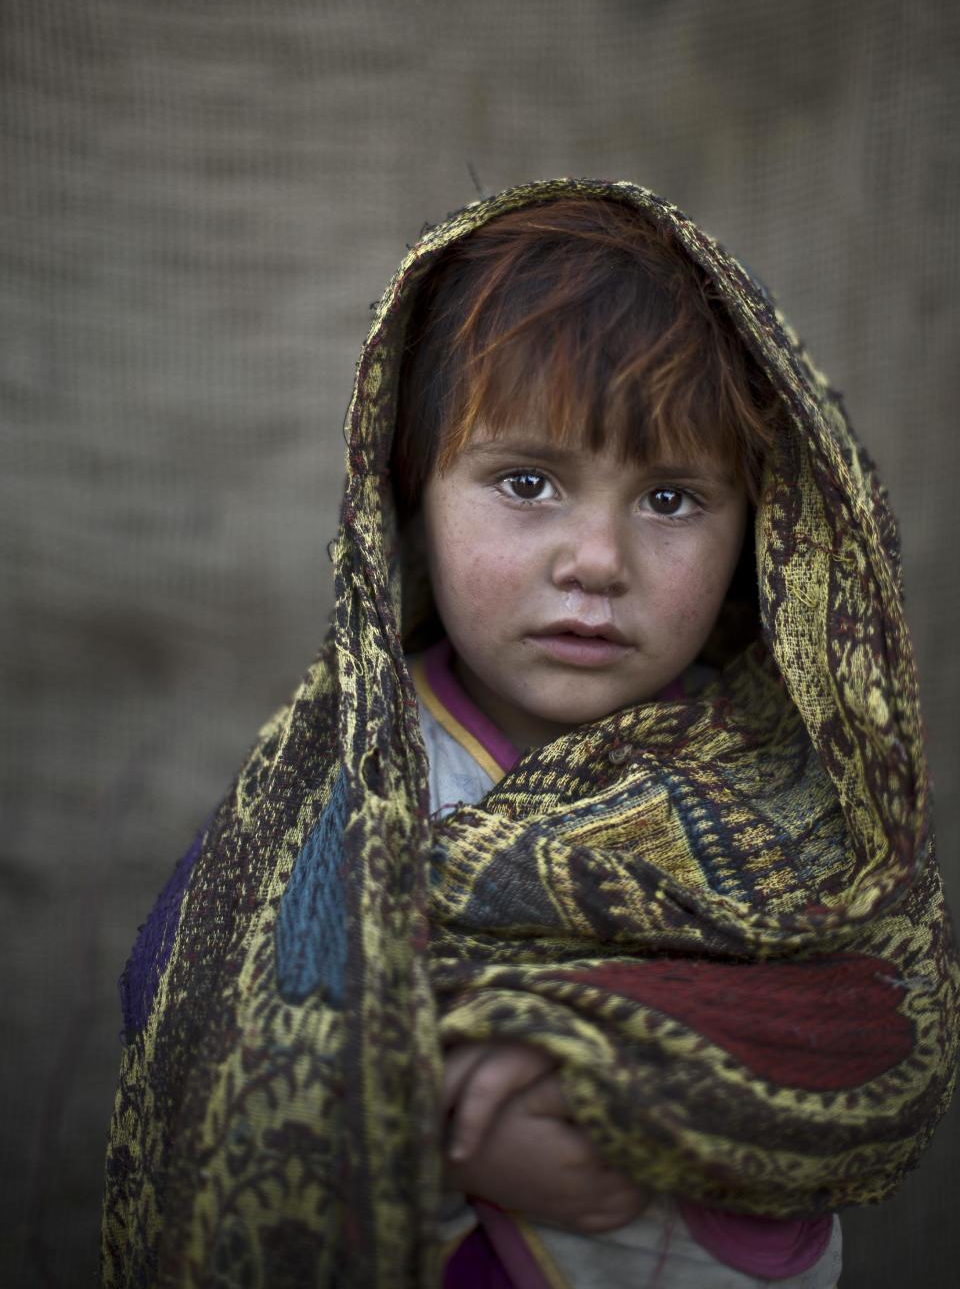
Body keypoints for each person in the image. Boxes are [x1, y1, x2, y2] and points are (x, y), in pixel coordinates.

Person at [102, 181, 958, 1289]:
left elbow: (876, 1035)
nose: (597, 560)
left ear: (766, 527)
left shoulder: (800, 792)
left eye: (669, 501)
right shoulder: (352, 775)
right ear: (409, 496)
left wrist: (618, 1081)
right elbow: (198, 1008)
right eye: (527, 481)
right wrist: (437, 1114)